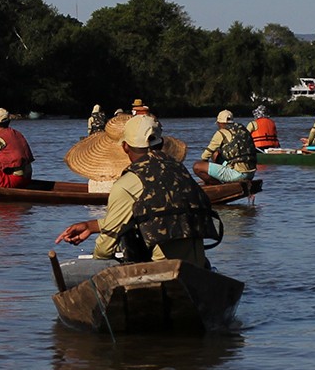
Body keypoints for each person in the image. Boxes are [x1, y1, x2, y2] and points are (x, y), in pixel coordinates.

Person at [55, 115, 221, 288]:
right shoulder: (180, 171)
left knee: (108, 251)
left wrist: (98, 260)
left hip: (162, 273)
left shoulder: (127, 184)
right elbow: (160, 215)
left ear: (125, 146)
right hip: (197, 266)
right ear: (161, 143)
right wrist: (92, 226)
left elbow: (105, 249)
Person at [194, 110, 256, 185]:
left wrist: (206, 174)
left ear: (220, 123)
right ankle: (221, 179)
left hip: (237, 174)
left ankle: (217, 186)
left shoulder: (221, 132)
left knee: (197, 166)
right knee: (216, 154)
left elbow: (205, 156)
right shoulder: (242, 130)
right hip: (251, 173)